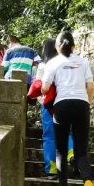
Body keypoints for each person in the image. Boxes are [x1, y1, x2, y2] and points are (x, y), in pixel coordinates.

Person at [41, 30, 94, 186]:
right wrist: (87, 102)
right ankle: (88, 183)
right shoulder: (83, 61)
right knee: (81, 151)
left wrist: (45, 91)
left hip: (62, 106)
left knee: (61, 151)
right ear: (74, 46)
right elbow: (91, 87)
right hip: (81, 105)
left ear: (57, 47)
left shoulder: (53, 62)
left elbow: (45, 88)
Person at [28, 38, 73, 175]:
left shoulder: (43, 66)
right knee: (67, 131)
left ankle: (51, 168)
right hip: (65, 102)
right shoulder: (66, 63)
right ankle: (71, 154)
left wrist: (41, 99)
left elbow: (38, 86)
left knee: (49, 136)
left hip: (48, 105)